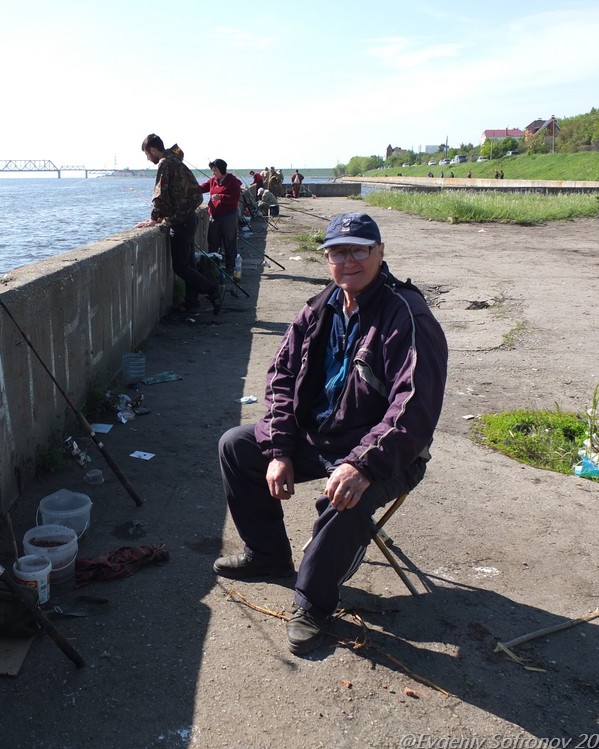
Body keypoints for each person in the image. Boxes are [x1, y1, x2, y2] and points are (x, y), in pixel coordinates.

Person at [213, 212, 448, 655]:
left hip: (388, 451)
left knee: (343, 495)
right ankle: (266, 554)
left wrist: (362, 465)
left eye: (360, 249)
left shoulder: (408, 316)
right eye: (338, 251)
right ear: (326, 259)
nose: (349, 260)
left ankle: (313, 601)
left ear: (381, 253)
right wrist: (280, 448)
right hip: (318, 436)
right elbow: (281, 377)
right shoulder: (318, 307)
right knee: (237, 446)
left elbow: (414, 409)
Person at [136, 134, 224, 314]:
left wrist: (154, 218)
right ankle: (192, 302)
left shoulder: (165, 163)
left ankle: (213, 291)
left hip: (180, 223)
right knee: (189, 264)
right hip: (190, 218)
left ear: (153, 150)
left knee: (181, 267)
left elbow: (160, 194)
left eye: (147, 154)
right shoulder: (176, 161)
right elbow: (194, 194)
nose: (147, 158)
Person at [198, 159, 243, 274]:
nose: (213, 173)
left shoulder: (233, 181)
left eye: (215, 170)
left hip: (228, 216)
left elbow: (235, 198)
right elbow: (202, 188)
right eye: (212, 170)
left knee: (229, 242)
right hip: (214, 216)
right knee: (213, 242)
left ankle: (230, 267)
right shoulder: (213, 180)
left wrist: (221, 197)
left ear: (221, 169)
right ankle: (214, 268)